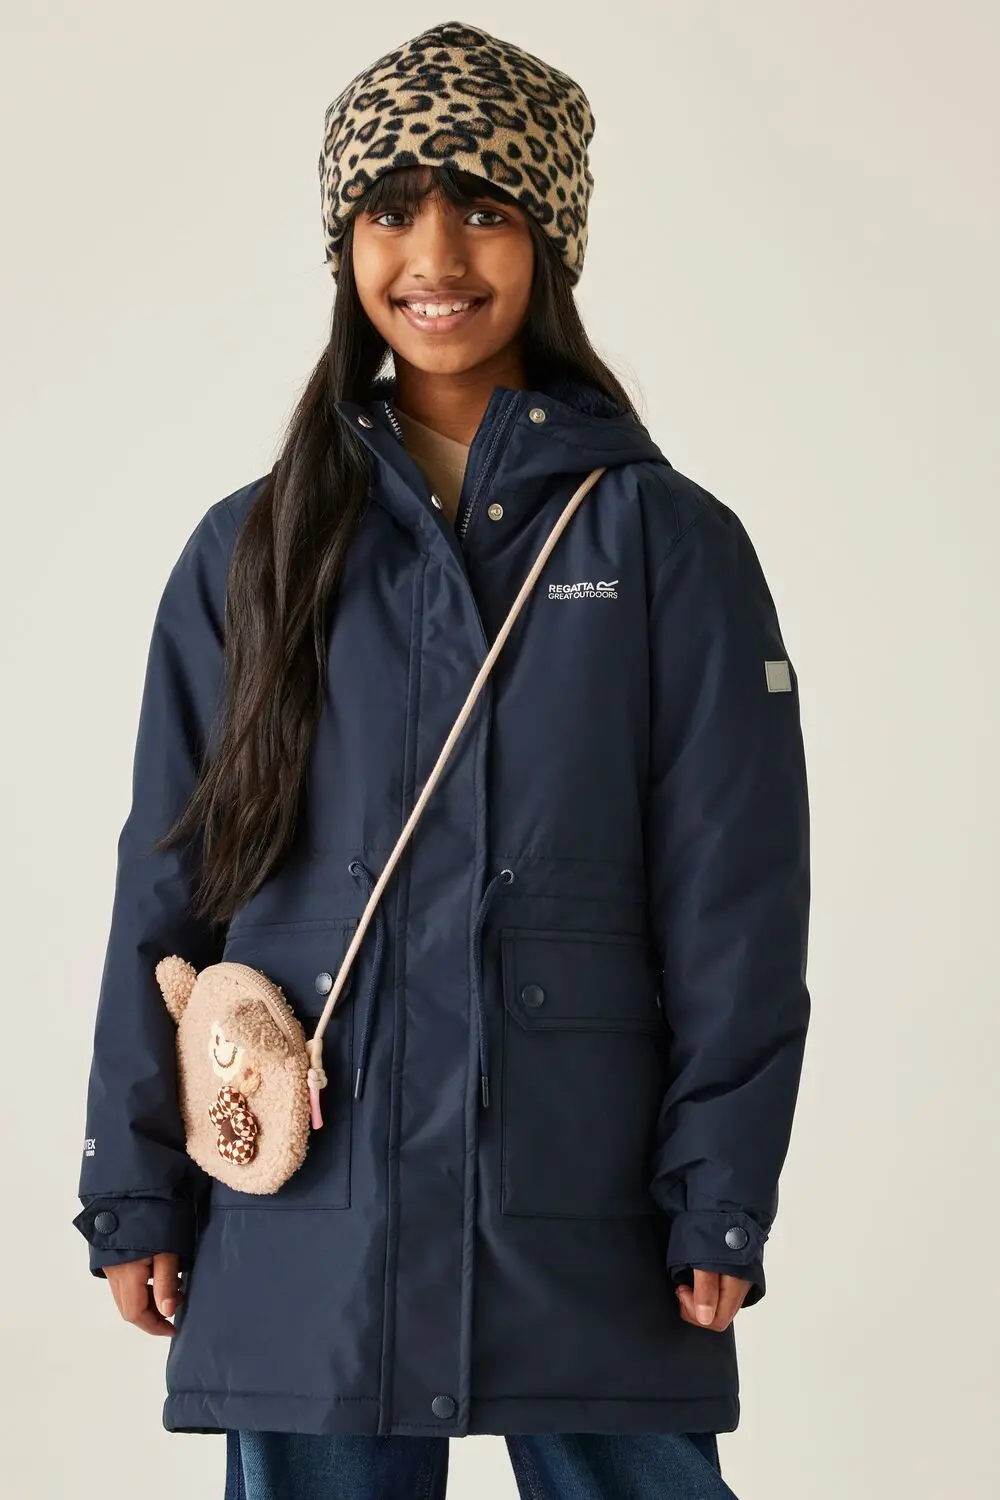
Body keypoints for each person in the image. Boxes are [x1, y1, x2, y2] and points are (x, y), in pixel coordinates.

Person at [72, 20, 811, 1500]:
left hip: (586, 1198)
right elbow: (171, 879)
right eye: (390, 211)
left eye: (483, 208)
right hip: (311, 1193)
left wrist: (720, 1185)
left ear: (551, 239)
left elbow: (736, 896)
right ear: (343, 243)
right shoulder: (252, 549)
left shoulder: (668, 544)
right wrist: (135, 1176)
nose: (435, 255)